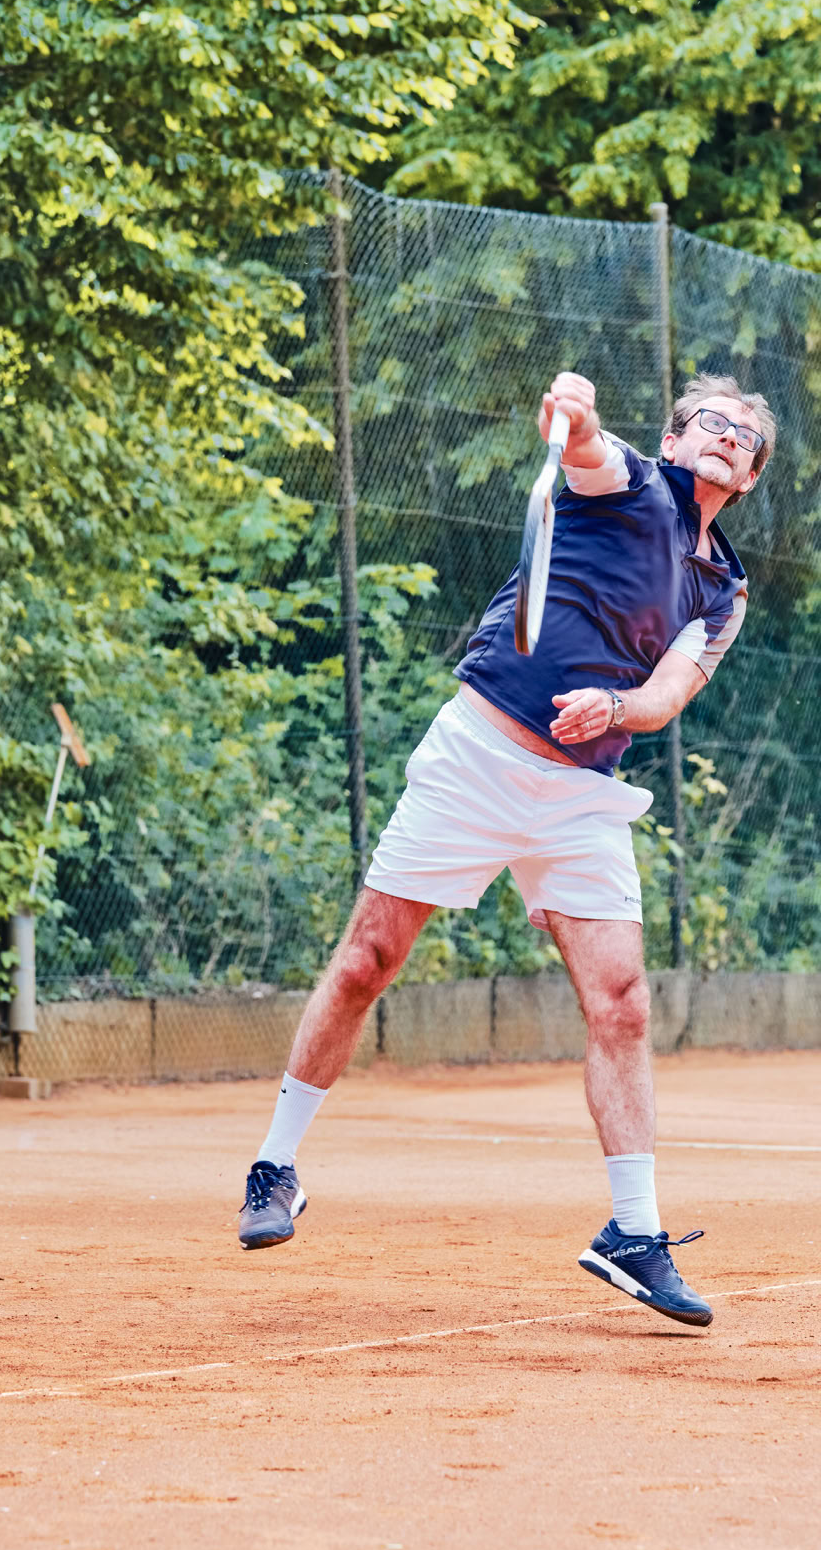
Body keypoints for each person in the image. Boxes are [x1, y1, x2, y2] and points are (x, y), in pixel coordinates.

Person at [236, 370, 775, 1328]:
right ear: (678, 436)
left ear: (752, 473)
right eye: (711, 422)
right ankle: (275, 1167)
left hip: (582, 794)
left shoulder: (724, 589)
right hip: (479, 754)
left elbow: (666, 696)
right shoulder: (632, 484)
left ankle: (632, 1235)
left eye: (745, 435)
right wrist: (571, 410)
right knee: (368, 961)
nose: (728, 435)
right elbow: (585, 447)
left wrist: (618, 707)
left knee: (622, 1002)